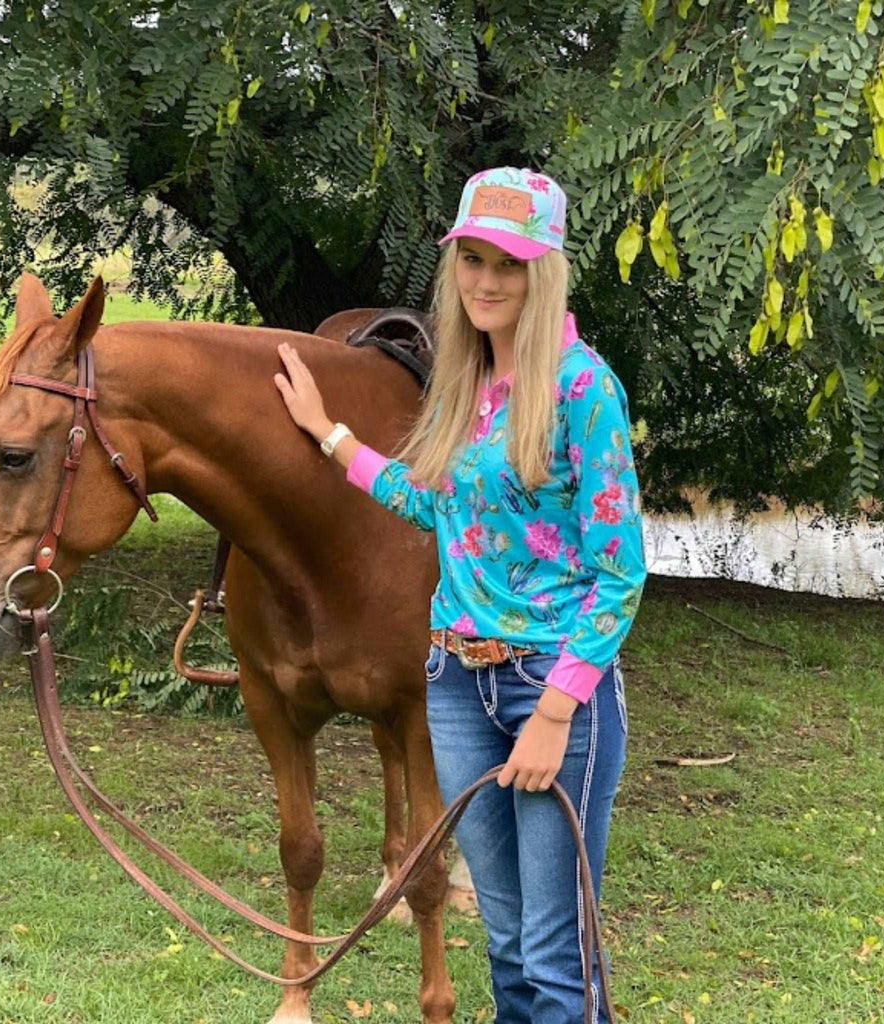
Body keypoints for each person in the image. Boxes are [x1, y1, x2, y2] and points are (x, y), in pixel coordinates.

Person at [273, 166, 646, 1024]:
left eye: (509, 264)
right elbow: (433, 501)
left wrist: (556, 712)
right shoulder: (468, 388)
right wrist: (329, 435)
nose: (487, 280)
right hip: (456, 688)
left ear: (543, 272)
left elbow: (621, 570)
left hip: (554, 690)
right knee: (509, 945)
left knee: (555, 955)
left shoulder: (583, 390)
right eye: (473, 258)